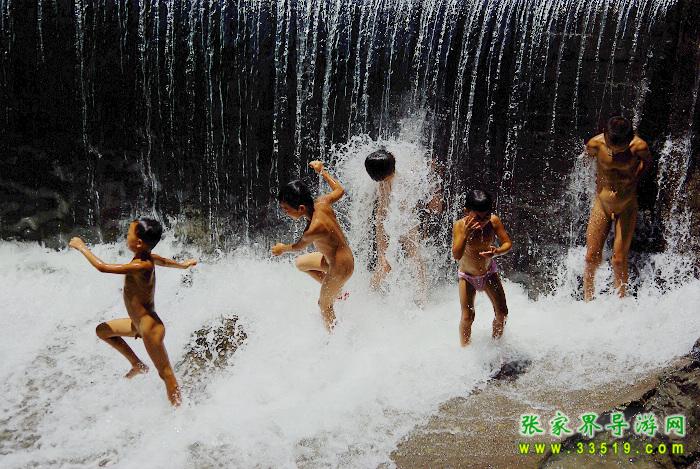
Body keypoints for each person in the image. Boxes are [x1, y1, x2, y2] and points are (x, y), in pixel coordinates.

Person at [69, 219, 197, 406]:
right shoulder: (147, 258)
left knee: (165, 373)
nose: (125, 236)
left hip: (149, 327)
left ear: (138, 242)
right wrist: (183, 265)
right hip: (137, 324)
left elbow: (103, 267)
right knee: (102, 331)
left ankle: (179, 411)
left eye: (128, 234)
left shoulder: (141, 265)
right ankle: (137, 364)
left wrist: (81, 247)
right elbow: (164, 261)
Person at [272, 161, 354, 332]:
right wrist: (322, 171)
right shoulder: (322, 202)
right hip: (337, 259)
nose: (285, 212)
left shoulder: (314, 228)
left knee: (324, 305)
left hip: (340, 268)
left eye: (286, 209)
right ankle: (337, 292)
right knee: (301, 264)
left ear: (301, 208)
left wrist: (281, 248)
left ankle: (335, 339)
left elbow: (298, 246)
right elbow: (339, 190)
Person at [583, 116, 652, 301]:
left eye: (620, 147)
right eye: (612, 146)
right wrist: (597, 182)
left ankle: (621, 302)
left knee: (619, 260)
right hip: (602, 205)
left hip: (626, 205)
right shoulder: (595, 144)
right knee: (590, 257)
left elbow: (647, 163)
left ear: (629, 139)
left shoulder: (639, 147)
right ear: (605, 135)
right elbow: (585, 162)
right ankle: (588, 298)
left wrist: (634, 179)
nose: (615, 150)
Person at [364, 149, 431, 303]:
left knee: (415, 259)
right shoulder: (384, 179)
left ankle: (422, 297)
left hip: (406, 222)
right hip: (386, 222)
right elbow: (382, 210)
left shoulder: (402, 178)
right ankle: (370, 294)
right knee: (385, 263)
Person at [451, 190, 512, 346]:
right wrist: (465, 234)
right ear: (466, 211)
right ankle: (465, 349)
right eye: (478, 218)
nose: (483, 221)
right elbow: (456, 255)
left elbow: (507, 244)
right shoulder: (459, 226)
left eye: (486, 217)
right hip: (467, 277)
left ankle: (496, 345)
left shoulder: (493, 221)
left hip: (488, 274)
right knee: (467, 317)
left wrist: (496, 252)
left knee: (502, 313)